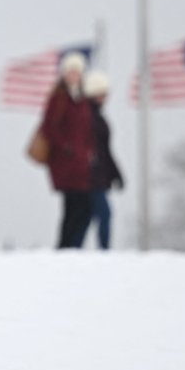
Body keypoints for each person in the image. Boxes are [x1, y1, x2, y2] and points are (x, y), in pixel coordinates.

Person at [39, 51, 95, 249]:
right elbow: (48, 127)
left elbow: (87, 130)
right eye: (70, 72)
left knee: (84, 207)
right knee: (73, 205)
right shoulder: (59, 98)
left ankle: (73, 245)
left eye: (77, 72)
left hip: (82, 163)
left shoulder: (83, 100)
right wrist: (65, 147)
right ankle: (65, 247)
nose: (74, 76)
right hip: (65, 163)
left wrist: (89, 152)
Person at [84, 70, 124, 250]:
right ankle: (103, 252)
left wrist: (116, 174)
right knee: (103, 214)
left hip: (100, 177)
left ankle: (73, 252)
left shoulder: (99, 118)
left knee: (87, 217)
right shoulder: (84, 118)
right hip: (88, 177)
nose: (105, 97)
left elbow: (106, 151)